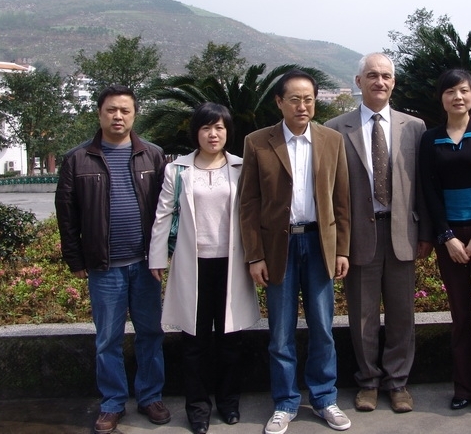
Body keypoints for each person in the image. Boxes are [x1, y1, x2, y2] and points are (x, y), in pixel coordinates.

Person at [239, 69, 352, 434]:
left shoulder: (332, 140)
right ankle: (285, 402)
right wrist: (254, 255)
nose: (303, 106)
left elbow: (342, 200)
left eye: (309, 99)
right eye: (295, 99)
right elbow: (248, 204)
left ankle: (324, 398)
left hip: (320, 243)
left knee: (322, 327)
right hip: (279, 247)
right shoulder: (258, 142)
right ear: (279, 102)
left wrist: (342, 249)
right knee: (281, 331)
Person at [56, 85, 171, 434]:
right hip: (104, 267)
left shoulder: (153, 155)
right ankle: (112, 402)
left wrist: (165, 253)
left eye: (124, 110)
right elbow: (67, 215)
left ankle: (150, 396)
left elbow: (168, 210)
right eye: (111, 110)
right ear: (100, 113)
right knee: (107, 338)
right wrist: (75, 259)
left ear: (134, 114)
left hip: (145, 265)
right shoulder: (78, 159)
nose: (117, 116)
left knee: (150, 333)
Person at [325, 53, 428, 413]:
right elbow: (330, 190)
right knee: (362, 316)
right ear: (358, 82)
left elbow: (424, 185)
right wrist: (338, 242)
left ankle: (398, 383)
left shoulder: (414, 127)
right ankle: (368, 382)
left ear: (393, 82)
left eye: (386, 76)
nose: (379, 82)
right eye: (372, 75)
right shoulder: (336, 128)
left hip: (401, 233)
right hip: (359, 236)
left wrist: (426, 233)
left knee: (402, 315)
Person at [149, 103, 260, 434]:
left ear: (228, 132)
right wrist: (157, 257)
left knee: (230, 340)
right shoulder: (178, 170)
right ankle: (197, 408)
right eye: (206, 128)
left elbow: (253, 215)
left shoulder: (241, 167)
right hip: (192, 266)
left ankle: (228, 402)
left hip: (232, 265)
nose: (213, 134)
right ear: (196, 132)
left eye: (220, 128)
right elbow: (163, 214)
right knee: (194, 343)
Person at [418, 69, 471, 421]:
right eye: (450, 91)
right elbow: (428, 190)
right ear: (441, 98)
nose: (458, 97)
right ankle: (464, 387)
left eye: (464, 90)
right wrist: (447, 236)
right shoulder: (430, 139)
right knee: (459, 316)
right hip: (449, 238)